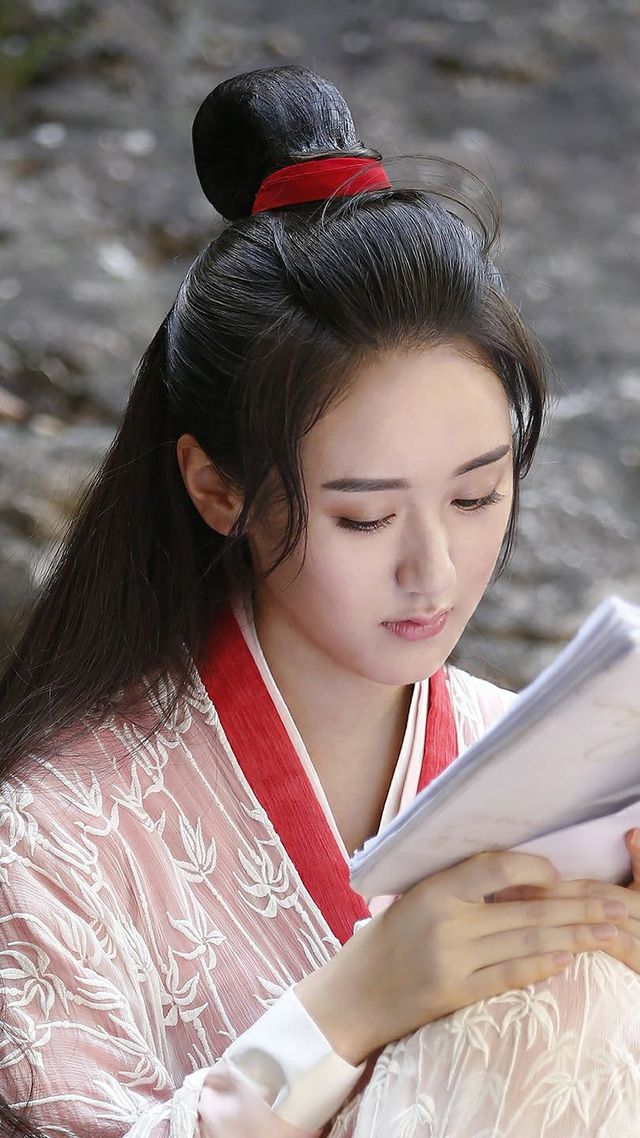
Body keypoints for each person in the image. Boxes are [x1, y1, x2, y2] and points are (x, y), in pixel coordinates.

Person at [1, 64, 639, 1138]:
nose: (434, 571)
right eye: (363, 516)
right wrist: (344, 1013)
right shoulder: (52, 841)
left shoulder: (548, 765)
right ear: (218, 489)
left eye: (476, 496)